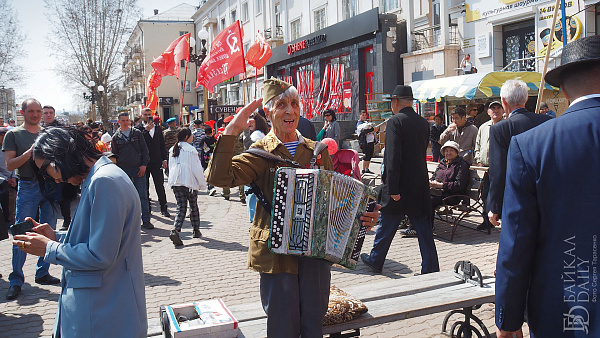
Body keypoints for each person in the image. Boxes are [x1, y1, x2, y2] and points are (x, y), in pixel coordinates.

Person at [206, 78, 380, 337]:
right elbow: (219, 178)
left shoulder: (317, 150)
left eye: (295, 104)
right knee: (283, 329)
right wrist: (232, 130)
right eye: (281, 105)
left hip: (315, 258)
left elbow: (334, 200)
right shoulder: (258, 153)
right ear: (268, 112)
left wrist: (365, 215)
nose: (290, 111)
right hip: (278, 259)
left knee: (313, 327)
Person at [495, 35, 600, 337]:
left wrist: (508, 318)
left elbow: (516, 243)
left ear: (563, 89)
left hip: (565, 311)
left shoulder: (532, 146)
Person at [13, 127, 147, 337]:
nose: (55, 179)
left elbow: (100, 255)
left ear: (60, 156)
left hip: (103, 309)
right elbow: (101, 236)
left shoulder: (104, 181)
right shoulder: (98, 178)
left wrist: (50, 248)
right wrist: (56, 237)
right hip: (102, 304)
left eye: (48, 170)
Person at [361, 85, 438, 275]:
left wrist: (392, 187)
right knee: (423, 228)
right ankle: (430, 267)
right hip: (419, 183)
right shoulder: (423, 122)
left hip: (399, 185)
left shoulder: (395, 122)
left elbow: (393, 156)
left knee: (388, 223)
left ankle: (376, 259)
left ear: (395, 102)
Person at [3, 98, 59, 300]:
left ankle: (42, 273)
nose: (35, 114)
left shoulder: (47, 133)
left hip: (49, 186)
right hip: (27, 186)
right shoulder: (13, 134)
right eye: (31, 111)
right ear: (23, 112)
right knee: (21, 233)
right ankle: (16, 280)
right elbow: (10, 165)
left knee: (48, 230)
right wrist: (30, 152)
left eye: (38, 111)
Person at [487, 79, 551, 226]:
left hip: (515, 197)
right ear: (526, 98)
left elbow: (498, 170)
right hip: (546, 193)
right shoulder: (547, 121)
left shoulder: (500, 128)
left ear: (503, 101)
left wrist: (495, 206)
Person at [111, 112, 153, 229]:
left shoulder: (137, 133)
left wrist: (144, 165)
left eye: (127, 120)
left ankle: (146, 220)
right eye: (123, 120)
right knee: (126, 197)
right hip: (123, 170)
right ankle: (130, 222)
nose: (125, 122)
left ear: (130, 121)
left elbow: (145, 150)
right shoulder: (116, 137)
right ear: (119, 121)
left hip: (138, 168)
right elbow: (115, 156)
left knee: (142, 195)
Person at [167, 128, 207, 247]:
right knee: (193, 206)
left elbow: (170, 167)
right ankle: (196, 230)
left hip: (176, 182)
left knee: (181, 207)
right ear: (186, 137)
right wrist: (202, 183)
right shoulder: (191, 150)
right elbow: (197, 169)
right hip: (189, 182)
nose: (192, 138)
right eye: (191, 136)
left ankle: (176, 229)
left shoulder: (172, 149)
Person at [473, 101, 503, 231]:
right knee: (485, 195)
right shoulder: (483, 127)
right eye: (493, 108)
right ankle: (486, 220)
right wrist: (479, 159)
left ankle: (498, 218)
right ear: (488, 111)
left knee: (498, 195)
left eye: (498, 108)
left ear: (503, 110)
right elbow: (477, 146)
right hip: (485, 169)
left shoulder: (506, 125)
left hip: (501, 170)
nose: (495, 111)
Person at [135, 109, 170, 218]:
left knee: (159, 185)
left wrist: (164, 159)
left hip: (156, 161)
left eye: (149, 115)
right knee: (144, 187)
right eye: (145, 115)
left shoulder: (158, 128)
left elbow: (161, 145)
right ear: (141, 116)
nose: (147, 116)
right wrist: (145, 131)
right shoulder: (137, 129)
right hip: (143, 163)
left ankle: (164, 208)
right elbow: (138, 145)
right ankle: (147, 210)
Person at [428, 141, 470, 229]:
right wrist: (432, 182)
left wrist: (442, 185)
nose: (448, 153)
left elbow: (459, 185)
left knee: (428, 200)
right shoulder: (443, 163)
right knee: (416, 195)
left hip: (452, 195)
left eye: (451, 150)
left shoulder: (462, 165)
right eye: (446, 151)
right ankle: (413, 225)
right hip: (438, 192)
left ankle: (428, 227)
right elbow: (435, 176)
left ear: (456, 152)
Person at [244, 113, 270, 222]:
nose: (249, 123)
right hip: (259, 170)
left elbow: (248, 146)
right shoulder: (261, 133)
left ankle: (255, 221)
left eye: (251, 122)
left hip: (253, 170)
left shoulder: (256, 135)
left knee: (252, 198)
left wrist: (245, 131)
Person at [198, 126, 217, 195]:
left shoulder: (203, 139)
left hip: (205, 157)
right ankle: (211, 186)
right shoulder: (214, 139)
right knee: (212, 171)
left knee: (206, 171)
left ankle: (209, 187)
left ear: (205, 133)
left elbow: (200, 146)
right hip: (212, 157)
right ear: (211, 132)